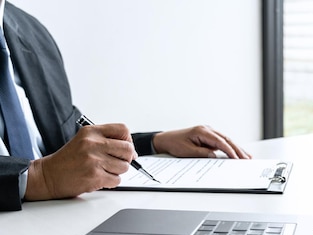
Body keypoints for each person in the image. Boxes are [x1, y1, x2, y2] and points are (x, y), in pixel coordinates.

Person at [0, 1, 251, 211]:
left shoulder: (29, 31)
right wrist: (40, 178)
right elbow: (51, 169)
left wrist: (155, 142)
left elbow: (68, 146)